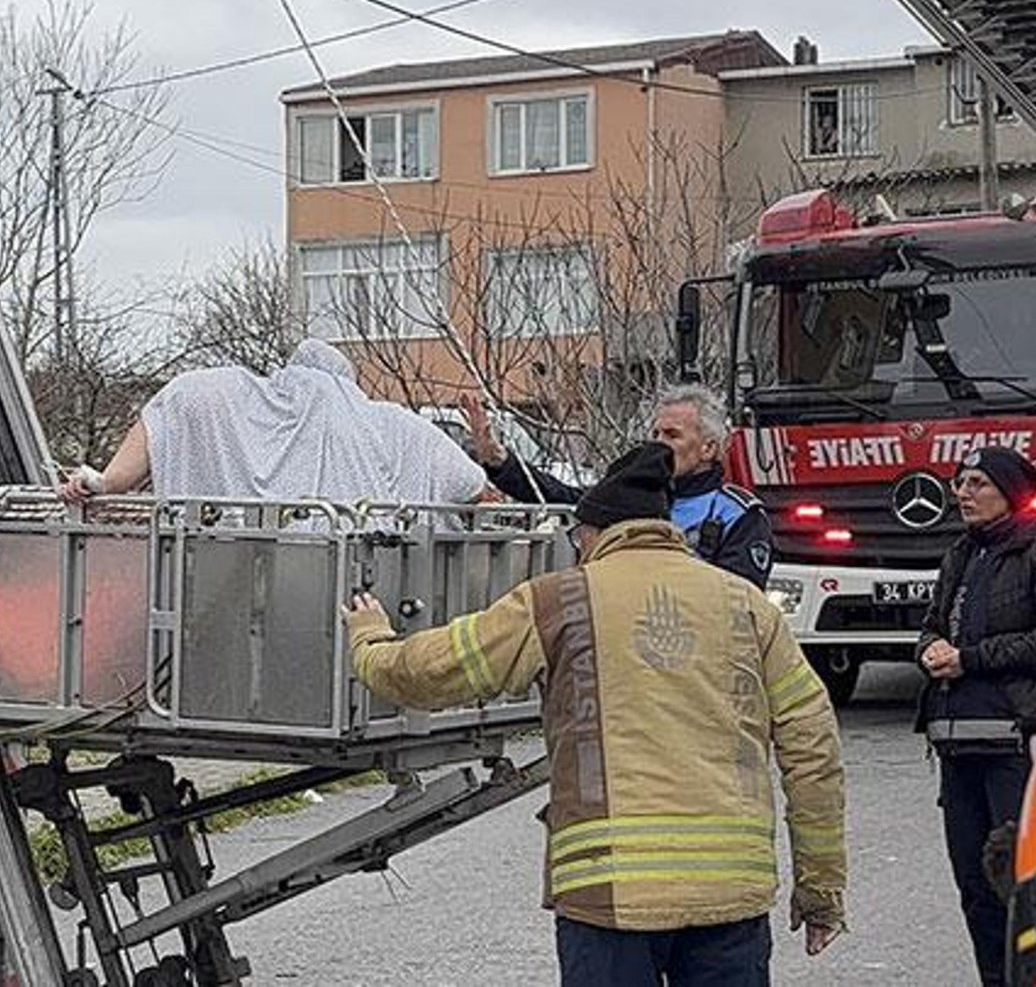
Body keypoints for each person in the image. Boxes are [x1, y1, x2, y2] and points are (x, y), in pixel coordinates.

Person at [343, 442, 846, 985]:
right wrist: (820, 890)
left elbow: (437, 671)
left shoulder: (559, 600)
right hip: (730, 895)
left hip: (609, 894)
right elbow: (813, 749)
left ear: (592, 533)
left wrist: (370, 640)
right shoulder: (746, 605)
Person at [58, 339, 486, 507]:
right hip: (356, 588)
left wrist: (105, 482)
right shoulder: (391, 426)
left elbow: (170, 411)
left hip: (227, 571)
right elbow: (470, 485)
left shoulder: (226, 396)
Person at [915, 446, 1036, 987]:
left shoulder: (1030, 550)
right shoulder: (960, 553)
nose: (963, 493)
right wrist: (929, 649)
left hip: (1014, 748)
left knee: (1020, 890)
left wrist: (970, 658)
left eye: (978, 483)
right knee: (975, 890)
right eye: (961, 482)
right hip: (956, 749)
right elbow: (932, 623)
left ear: (1010, 491)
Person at [462, 385, 775, 588]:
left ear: (709, 448)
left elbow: (740, 601)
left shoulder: (738, 514)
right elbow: (560, 495)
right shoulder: (631, 497)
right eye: (655, 435)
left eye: (672, 435)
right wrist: (497, 458)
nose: (659, 446)